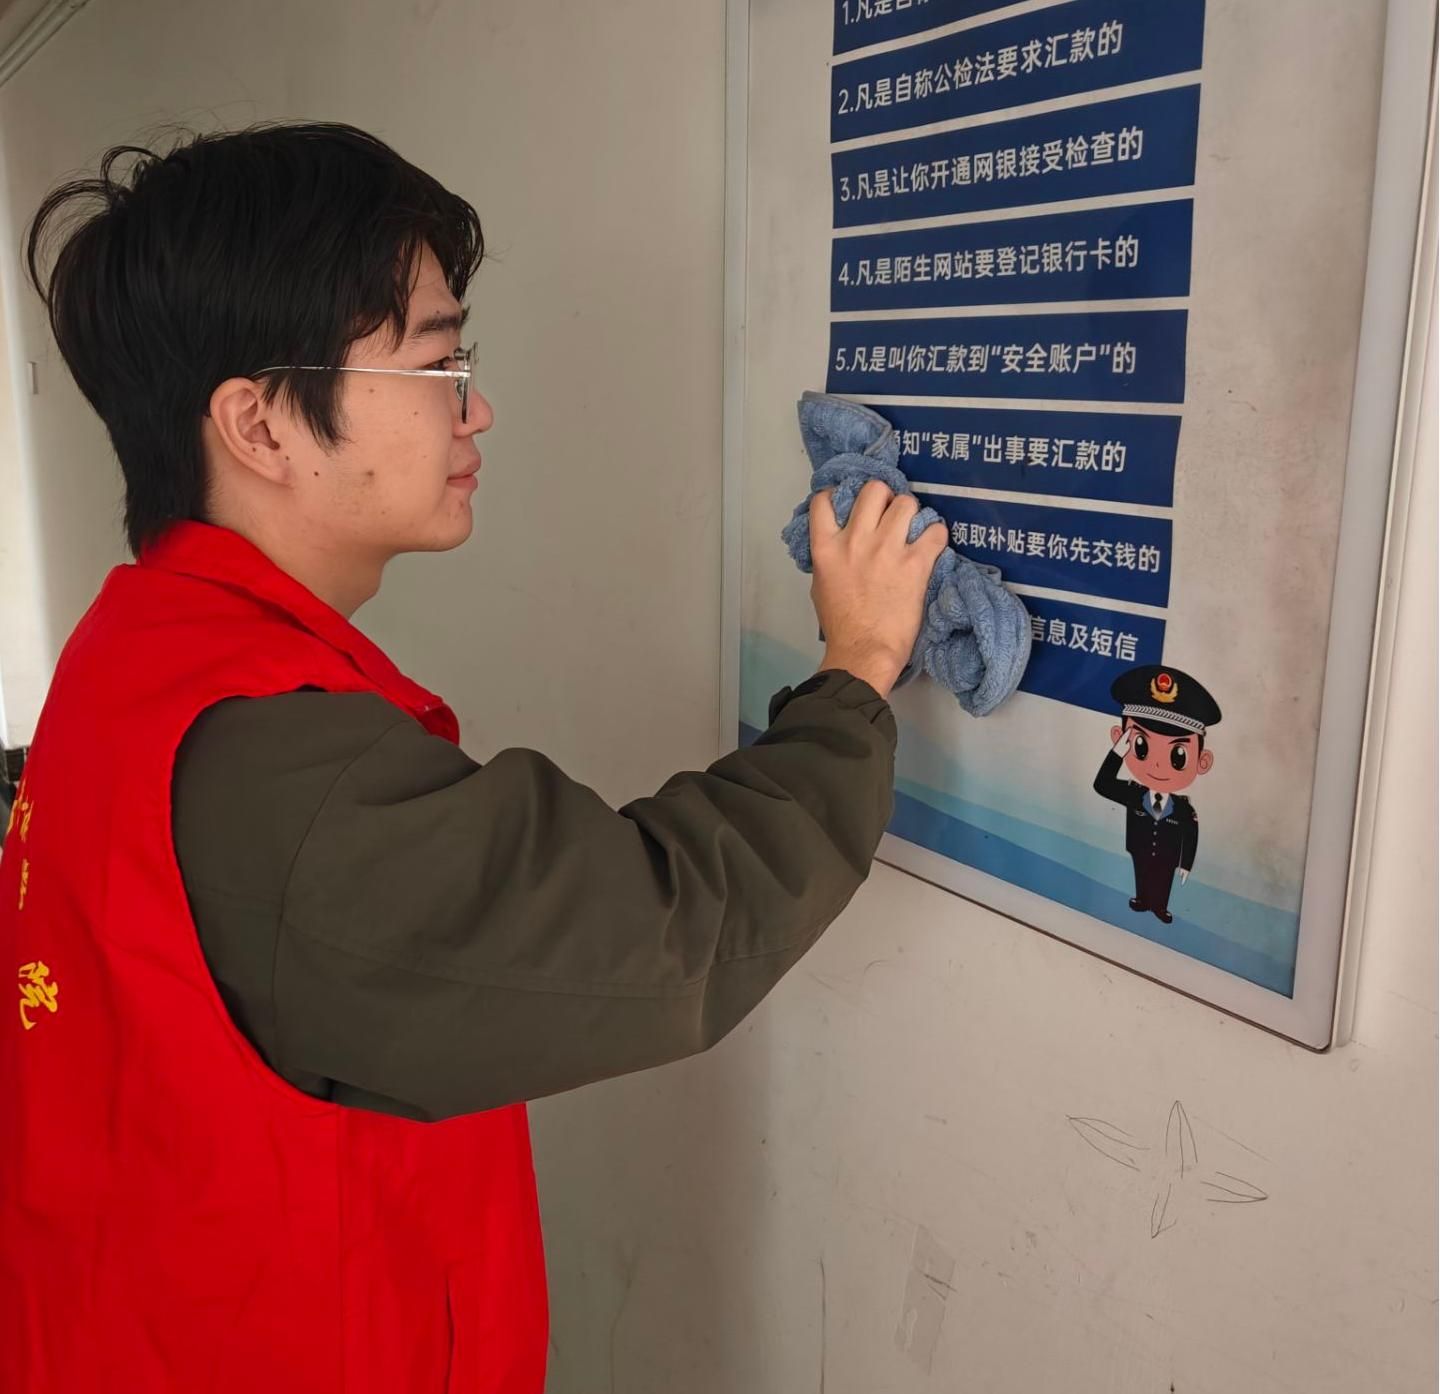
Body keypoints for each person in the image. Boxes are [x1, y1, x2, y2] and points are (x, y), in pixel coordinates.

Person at [0, 122, 948, 1392]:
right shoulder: (281, 765)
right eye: (438, 363)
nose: (476, 406)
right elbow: (662, 925)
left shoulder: (133, 657)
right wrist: (857, 668)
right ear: (261, 425)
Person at [1093, 664, 1222, 925]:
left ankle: (1160, 907)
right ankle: (1142, 899)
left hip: (1168, 856)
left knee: (1163, 879)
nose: (1159, 765)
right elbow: (1103, 785)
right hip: (1139, 849)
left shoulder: (1184, 809)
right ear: (1120, 738)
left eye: (1178, 756)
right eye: (1141, 746)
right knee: (1142, 874)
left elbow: (1191, 835)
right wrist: (1117, 753)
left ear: (1202, 761)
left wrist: (1186, 864)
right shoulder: (1133, 793)